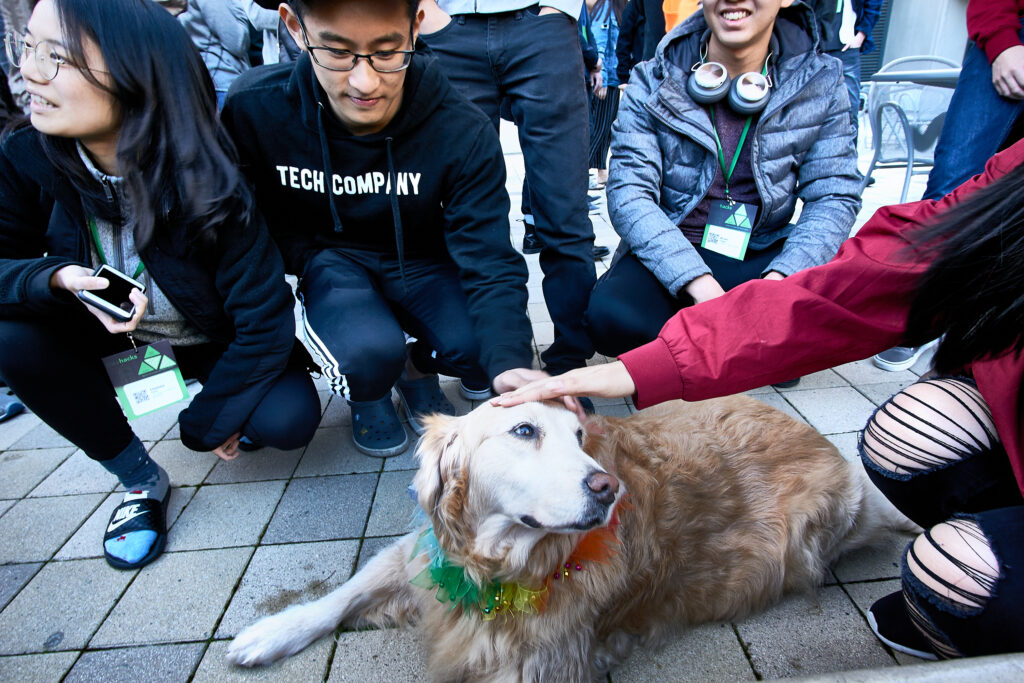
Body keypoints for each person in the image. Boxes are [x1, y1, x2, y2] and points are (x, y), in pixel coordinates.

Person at [495, 139, 1024, 662]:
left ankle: (964, 590)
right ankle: (987, 526)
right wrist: (634, 370)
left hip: (772, 249)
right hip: (686, 250)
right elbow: (877, 271)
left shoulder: (819, 93)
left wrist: (780, 272)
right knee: (909, 428)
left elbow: (834, 197)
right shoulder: (1014, 173)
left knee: (949, 574)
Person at [0, 0, 320, 570]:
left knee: (287, 419)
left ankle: (215, 401)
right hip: (116, 347)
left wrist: (203, 426)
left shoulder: (213, 176)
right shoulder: (27, 155)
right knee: (11, 338)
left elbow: (264, 323)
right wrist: (57, 276)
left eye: (57, 57)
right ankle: (140, 481)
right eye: (28, 47)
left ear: (135, 75)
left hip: (207, 341)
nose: (29, 71)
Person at [221, 0, 537, 457]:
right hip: (328, 260)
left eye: (387, 53)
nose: (364, 82)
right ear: (294, 26)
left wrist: (510, 362)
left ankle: (413, 367)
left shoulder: (461, 127)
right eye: (337, 52)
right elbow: (236, 237)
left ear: (415, 27)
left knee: (484, 346)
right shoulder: (254, 108)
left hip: (421, 259)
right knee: (366, 354)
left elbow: (489, 257)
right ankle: (368, 390)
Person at [586, 0, 861, 390]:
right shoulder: (652, 77)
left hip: (762, 249)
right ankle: (739, 345)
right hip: (674, 244)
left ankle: (723, 340)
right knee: (612, 319)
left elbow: (834, 195)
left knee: (825, 318)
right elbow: (629, 194)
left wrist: (778, 285)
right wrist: (702, 287)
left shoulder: (822, 79)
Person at [417, 0, 599, 381]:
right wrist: (425, 10)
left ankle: (570, 364)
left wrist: (560, 7)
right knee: (464, 213)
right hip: (446, 25)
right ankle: (489, 356)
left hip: (542, 22)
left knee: (564, 213)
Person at [873, 0, 1024, 373]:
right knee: (952, 185)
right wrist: (1002, 41)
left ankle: (988, 326)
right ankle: (920, 315)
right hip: (1011, 37)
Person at [812, 0, 884, 136]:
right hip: (812, 46)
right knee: (808, 113)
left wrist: (860, 36)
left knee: (849, 114)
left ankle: (847, 149)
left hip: (846, 47)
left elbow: (874, 3)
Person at [586, 0, 625, 188]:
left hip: (612, 79)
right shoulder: (606, 8)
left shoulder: (614, 7)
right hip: (606, 80)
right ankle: (581, 173)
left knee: (606, 127)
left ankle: (601, 172)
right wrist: (603, 77)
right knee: (599, 128)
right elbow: (600, 42)